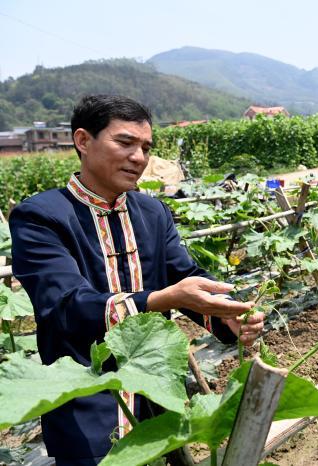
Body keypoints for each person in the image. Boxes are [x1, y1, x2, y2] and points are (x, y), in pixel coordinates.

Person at [9, 95, 265, 466]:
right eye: (125, 142)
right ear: (83, 141)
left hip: (157, 390)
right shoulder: (41, 217)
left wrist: (226, 316)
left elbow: (185, 276)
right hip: (87, 407)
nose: (139, 158)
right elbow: (66, 307)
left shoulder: (152, 211)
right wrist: (158, 300)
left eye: (146, 147)